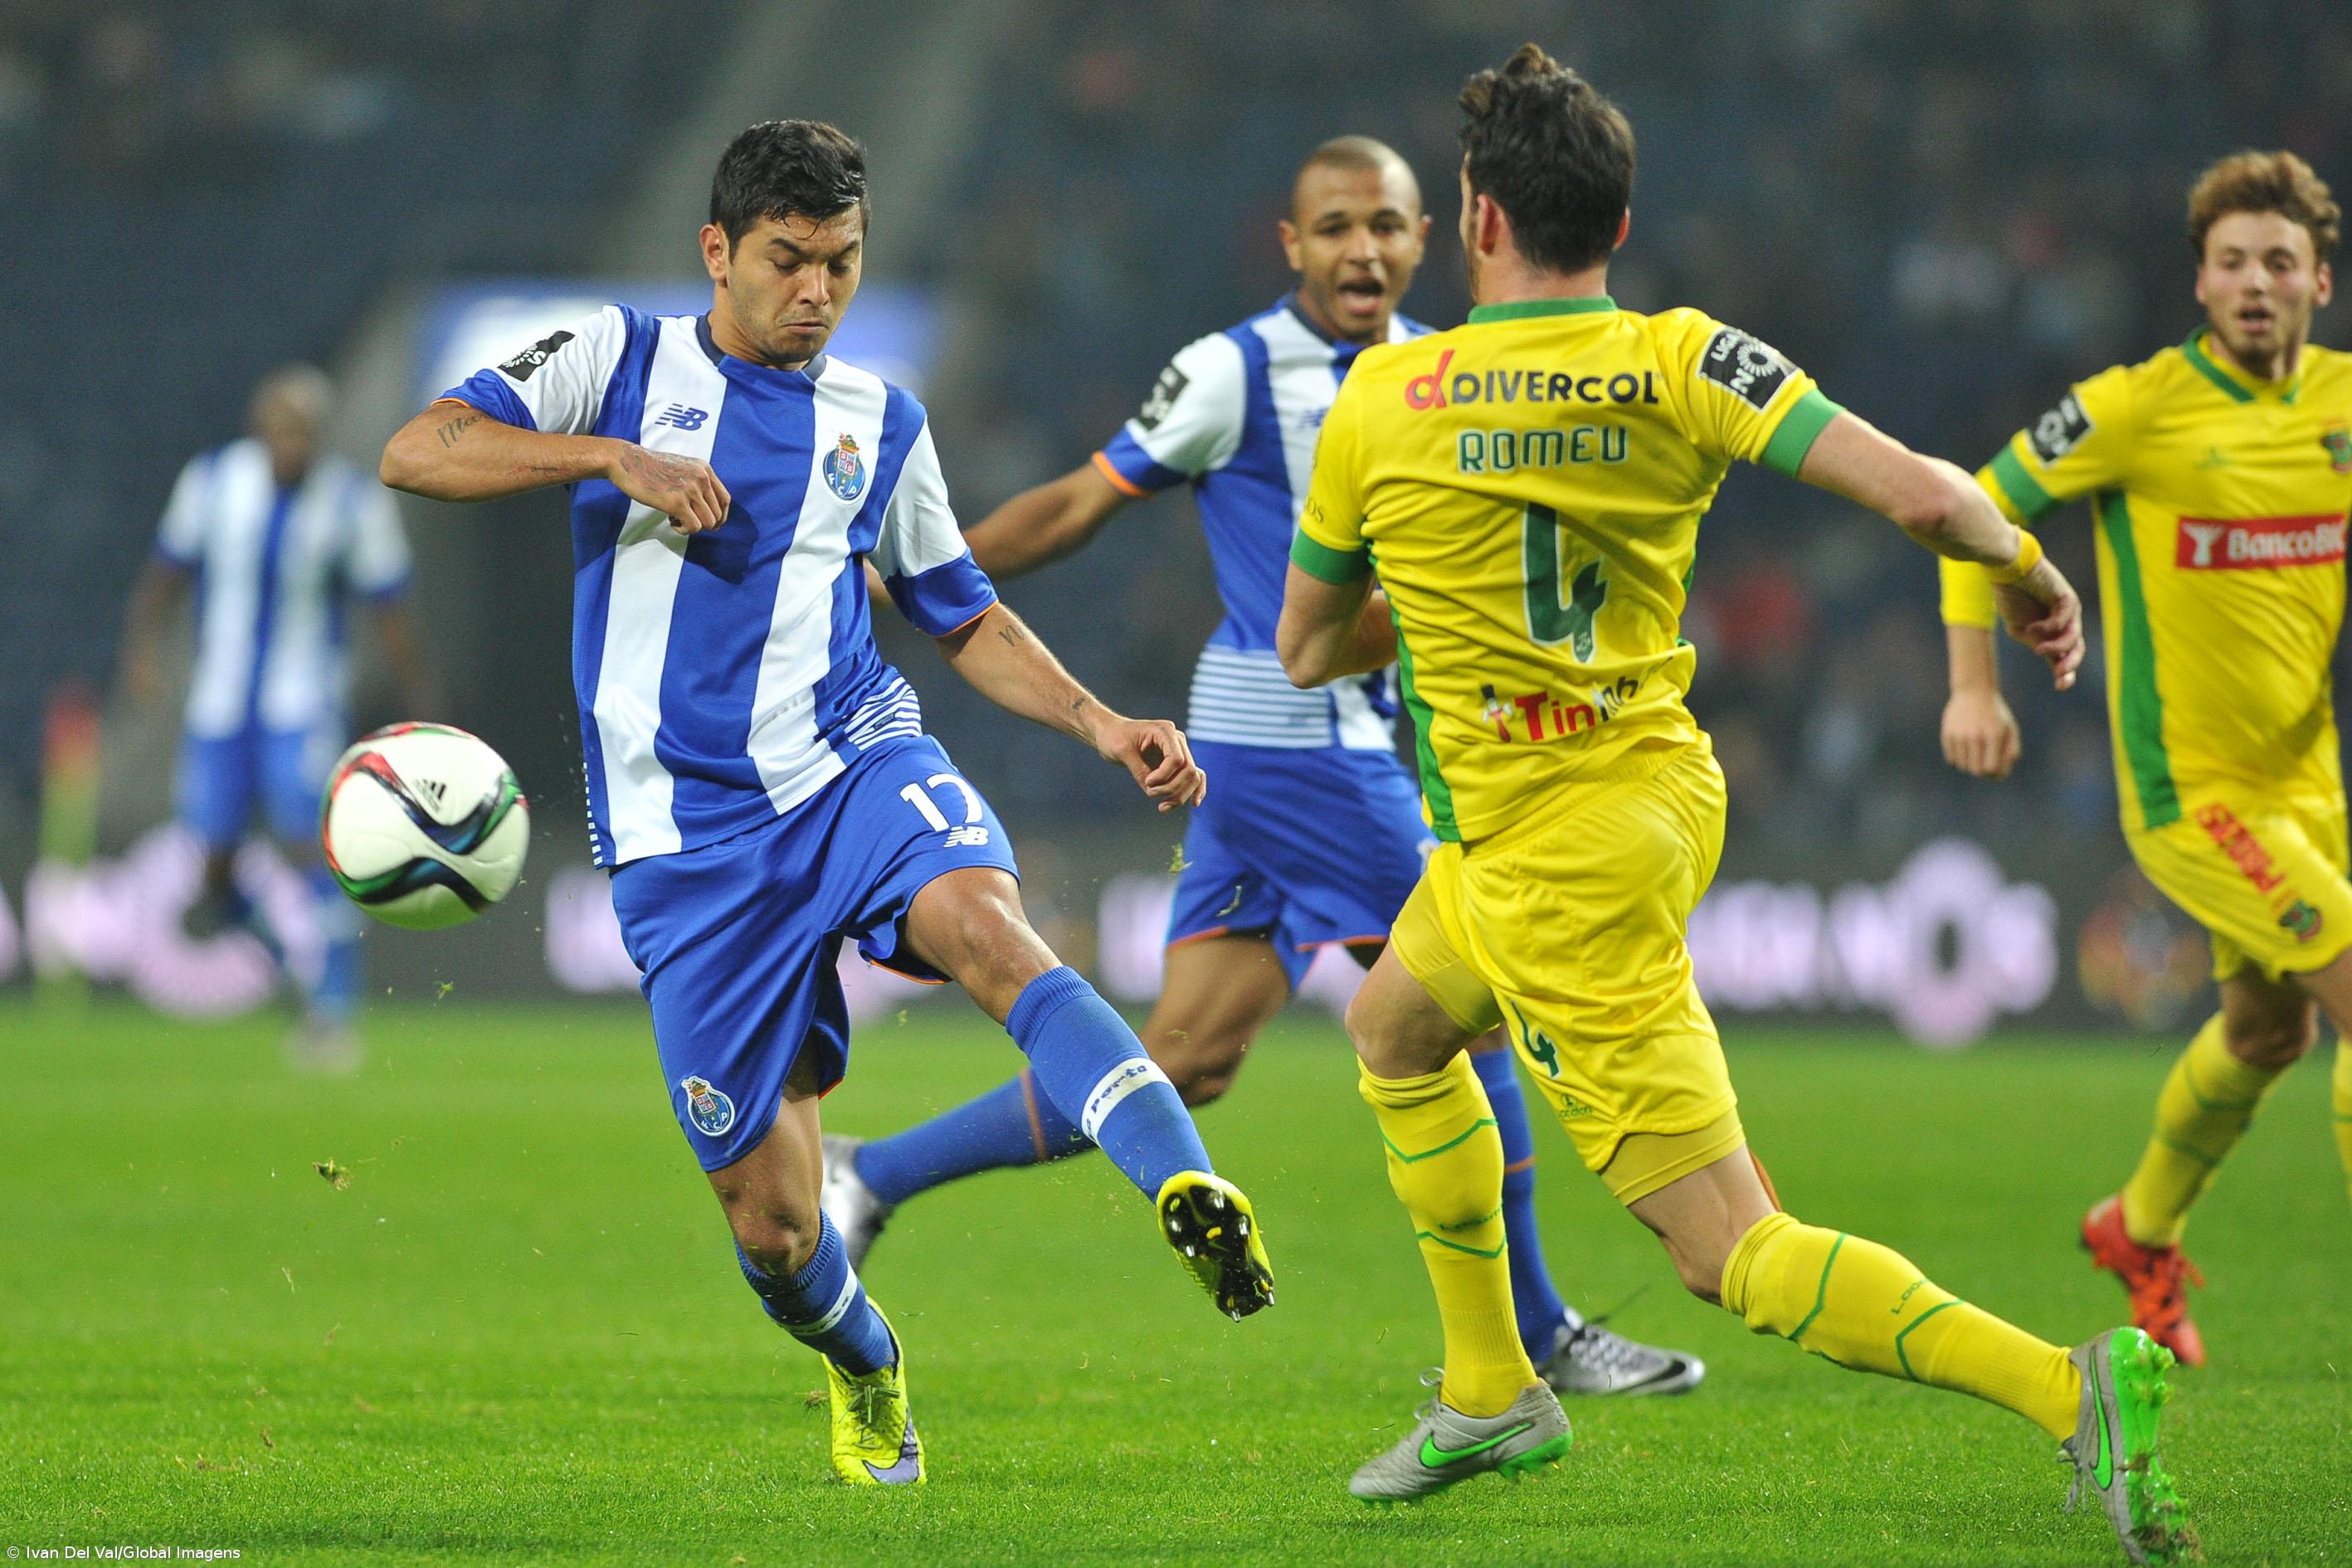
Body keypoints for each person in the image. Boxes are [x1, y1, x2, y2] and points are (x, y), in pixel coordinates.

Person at [1277, 46, 2190, 1564]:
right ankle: (1492, 1384)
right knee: (1398, 1029)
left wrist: (1425, 610)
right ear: (1618, 230)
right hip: (1656, 788)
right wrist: (2031, 582)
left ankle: (2069, 1388)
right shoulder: (1687, 357)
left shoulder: (1384, 390)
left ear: (1478, 217)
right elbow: (1932, 497)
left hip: (1550, 858)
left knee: (1731, 1257)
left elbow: (1311, 643)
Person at [380, 120, 1273, 1489]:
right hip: (686, 849)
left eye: (843, 265)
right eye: (788, 263)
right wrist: (609, 461)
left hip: (851, 766)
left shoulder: (882, 418)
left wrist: (1103, 722)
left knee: (990, 927)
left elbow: (958, 612)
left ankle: (1179, 1180)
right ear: (718, 253)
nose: (817, 293)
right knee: (778, 1229)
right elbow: (420, 449)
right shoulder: (614, 361)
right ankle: (867, 1362)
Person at [821, 134, 1702, 1397]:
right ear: (1293, 244)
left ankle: (871, 1172)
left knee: (1183, 1059)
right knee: (1474, 1013)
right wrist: (920, 577)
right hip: (1295, 745)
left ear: (1427, 238)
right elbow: (1082, 500)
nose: (1363, 250)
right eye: (1335, 226)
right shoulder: (1233, 370)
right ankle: (1536, 1335)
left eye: (1387, 226)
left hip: (1308, 751)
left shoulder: (1437, 373)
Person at [1941, 150, 2351, 1372]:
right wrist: (1972, 687)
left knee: (2265, 1030)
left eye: (2276, 262)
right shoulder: (2131, 407)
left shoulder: (2338, 404)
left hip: (2309, 785)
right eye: (2228, 262)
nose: (2251, 282)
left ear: (2316, 282)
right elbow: (1968, 512)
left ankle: (2137, 1227)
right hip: (2193, 794)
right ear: (2199, 281)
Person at [120, 363, 431, 1070]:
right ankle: (297, 975)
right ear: (261, 429)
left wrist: (419, 697)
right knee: (214, 871)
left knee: (310, 847)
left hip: (302, 702)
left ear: (319, 436)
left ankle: (335, 1010)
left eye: (305, 432)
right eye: (282, 429)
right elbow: (164, 574)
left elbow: (391, 605)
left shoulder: (350, 501)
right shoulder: (212, 484)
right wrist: (139, 652)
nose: (293, 444)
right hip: (219, 703)